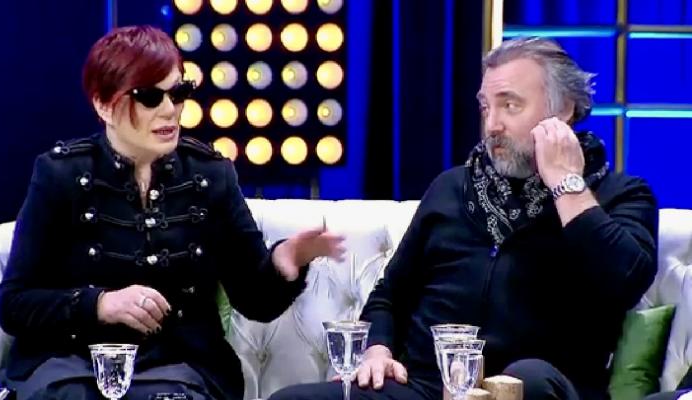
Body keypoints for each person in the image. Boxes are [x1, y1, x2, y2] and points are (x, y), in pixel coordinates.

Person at [270, 37, 658, 400]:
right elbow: (391, 295)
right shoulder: (452, 188)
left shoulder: (619, 195)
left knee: (529, 378)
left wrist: (566, 183)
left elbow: (625, 282)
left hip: (539, 390)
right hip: (425, 388)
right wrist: (377, 350)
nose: (492, 126)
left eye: (510, 105)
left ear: (564, 110)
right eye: (486, 107)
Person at [0, 25, 345, 400]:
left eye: (178, 93)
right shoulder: (60, 175)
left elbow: (255, 301)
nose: (170, 110)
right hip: (73, 362)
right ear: (103, 105)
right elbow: (15, 305)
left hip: (178, 365)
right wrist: (99, 304)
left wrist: (285, 261)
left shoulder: (210, 175)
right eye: (149, 97)